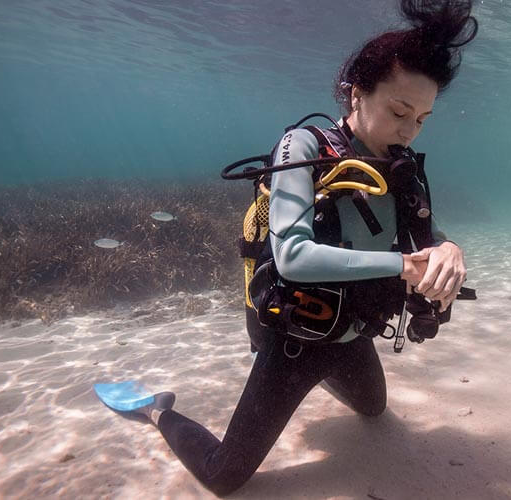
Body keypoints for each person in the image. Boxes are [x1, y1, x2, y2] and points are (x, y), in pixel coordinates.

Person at [135, 1, 476, 495]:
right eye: (399, 111)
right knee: (223, 476)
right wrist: (404, 265)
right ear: (357, 93)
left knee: (375, 410)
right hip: (296, 341)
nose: (408, 130)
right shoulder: (305, 146)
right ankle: (158, 410)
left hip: (354, 334)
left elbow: (428, 237)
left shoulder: (401, 167)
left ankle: (317, 380)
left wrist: (450, 250)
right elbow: (293, 256)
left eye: (422, 119)